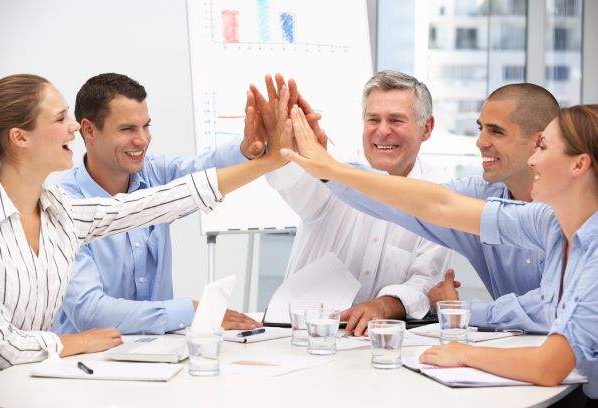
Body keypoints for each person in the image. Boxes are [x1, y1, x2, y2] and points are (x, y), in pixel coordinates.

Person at [283, 103, 598, 399]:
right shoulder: (549, 222)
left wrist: (463, 353)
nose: (533, 160)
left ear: (580, 164)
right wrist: (332, 170)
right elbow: (438, 204)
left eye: (543, 148)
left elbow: (548, 366)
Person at [0, 74, 291, 376]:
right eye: (59, 118)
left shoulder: (60, 212)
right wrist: (68, 342)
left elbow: (161, 201)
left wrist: (262, 158)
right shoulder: (46, 208)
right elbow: (0, 347)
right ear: (20, 137)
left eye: (146, 126)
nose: (74, 126)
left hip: (45, 377)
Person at [321, 84, 561, 332]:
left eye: (496, 132)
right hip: (518, 354)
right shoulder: (480, 196)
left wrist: (459, 310)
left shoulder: (577, 208)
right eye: (481, 129)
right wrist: (325, 167)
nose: (480, 142)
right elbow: (407, 201)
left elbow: (551, 310)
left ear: (539, 142)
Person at [52, 73, 263, 335]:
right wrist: (191, 311)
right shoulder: (61, 207)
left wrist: (248, 148)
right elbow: (89, 312)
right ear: (89, 130)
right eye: (128, 129)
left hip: (161, 352)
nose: (142, 140)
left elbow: (204, 169)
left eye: (146, 126)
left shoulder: (155, 175)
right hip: (88, 363)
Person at [255, 71, 452, 336]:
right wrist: (280, 148)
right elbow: (289, 181)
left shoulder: (438, 190)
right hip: (303, 335)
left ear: (426, 128)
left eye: (396, 120)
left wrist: (386, 304)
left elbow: (427, 279)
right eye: (373, 119)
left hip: (379, 341)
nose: (382, 131)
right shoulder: (333, 166)